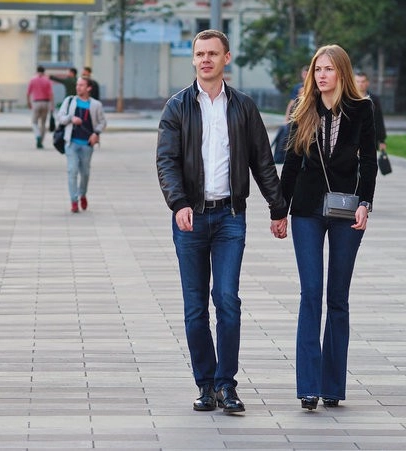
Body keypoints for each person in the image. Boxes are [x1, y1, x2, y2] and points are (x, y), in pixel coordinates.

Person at [156, 29, 288, 414]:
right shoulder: (177, 107)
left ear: (226, 58)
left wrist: (278, 208)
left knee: (227, 299)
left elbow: (262, 161)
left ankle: (227, 385)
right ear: (193, 59)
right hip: (190, 219)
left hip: (231, 217)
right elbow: (166, 161)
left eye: (213, 54)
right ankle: (205, 384)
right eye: (200, 54)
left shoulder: (243, 107)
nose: (206, 60)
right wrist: (178, 203)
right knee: (195, 307)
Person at [280, 45, 377, 410]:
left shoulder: (362, 109)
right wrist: (279, 210)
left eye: (328, 69)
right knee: (311, 294)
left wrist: (365, 204)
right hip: (306, 210)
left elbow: (369, 163)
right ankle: (308, 386)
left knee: (337, 297)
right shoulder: (303, 108)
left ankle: (332, 386)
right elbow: (291, 165)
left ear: (342, 73)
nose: (321, 75)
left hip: (346, 211)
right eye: (317, 69)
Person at [56, 76, 106, 213]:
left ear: (89, 88)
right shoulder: (70, 101)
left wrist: (96, 133)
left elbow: (102, 122)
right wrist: (71, 118)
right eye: (77, 85)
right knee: (72, 171)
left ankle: (82, 194)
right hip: (71, 143)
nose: (78, 87)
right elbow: (60, 117)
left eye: (81, 85)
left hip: (87, 145)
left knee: (85, 173)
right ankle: (74, 200)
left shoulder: (96, 105)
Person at [354, 71, 387, 152]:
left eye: (363, 81)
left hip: (370, 139)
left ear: (367, 83)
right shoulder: (348, 99)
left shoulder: (374, 100)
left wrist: (382, 140)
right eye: (357, 81)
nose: (360, 84)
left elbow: (379, 119)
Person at [26, 66, 54, 149]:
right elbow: (51, 94)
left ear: (37, 71)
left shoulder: (33, 80)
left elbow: (28, 93)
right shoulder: (47, 80)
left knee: (34, 122)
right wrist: (52, 105)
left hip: (36, 102)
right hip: (46, 102)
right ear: (44, 72)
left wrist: (28, 102)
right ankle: (41, 142)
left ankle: (37, 135)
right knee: (43, 123)